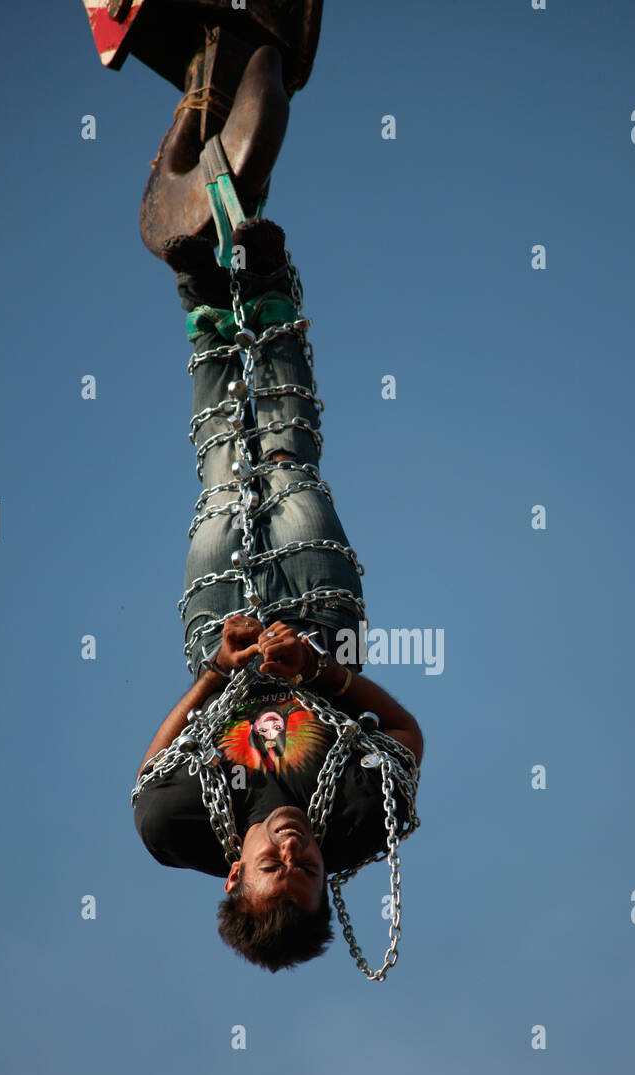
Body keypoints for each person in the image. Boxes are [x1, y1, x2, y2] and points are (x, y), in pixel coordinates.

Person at [131, 217, 423, 977]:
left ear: (236, 874)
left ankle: (204, 307)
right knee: (288, 466)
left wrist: (218, 674)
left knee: (226, 479)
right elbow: (407, 737)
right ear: (330, 882)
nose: (293, 850)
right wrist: (319, 673)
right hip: (325, 623)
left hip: (223, 637)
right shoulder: (364, 824)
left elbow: (153, 767)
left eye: (273, 867)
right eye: (310, 872)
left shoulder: (177, 829)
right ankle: (265, 291)